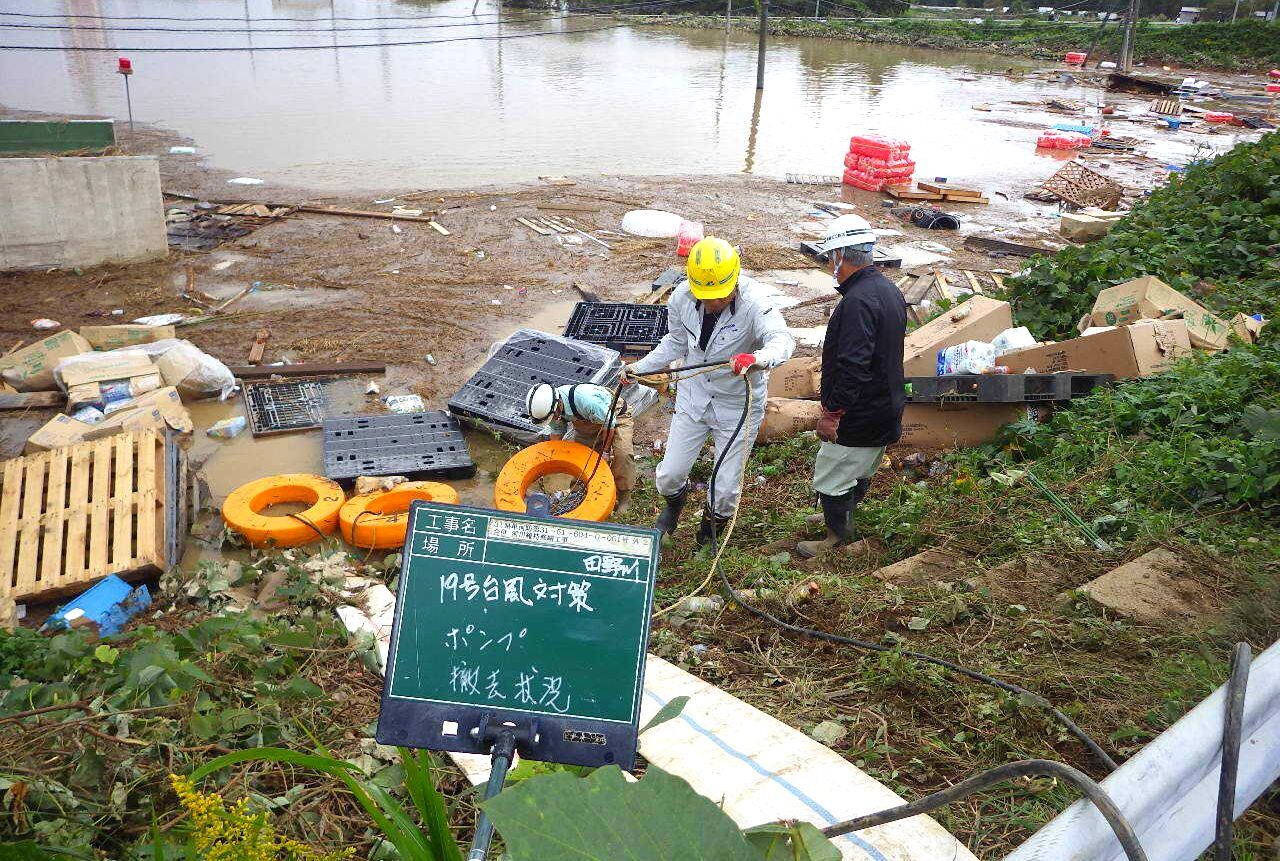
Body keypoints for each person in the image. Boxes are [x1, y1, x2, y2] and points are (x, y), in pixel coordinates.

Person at [623, 237, 795, 547]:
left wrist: (756, 359)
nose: (712, 303)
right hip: (693, 397)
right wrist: (640, 369)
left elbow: (782, 341)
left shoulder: (756, 303)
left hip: (737, 406)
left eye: (719, 297)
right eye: (707, 297)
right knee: (669, 475)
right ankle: (675, 504)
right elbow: (675, 342)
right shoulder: (682, 298)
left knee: (726, 488)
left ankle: (709, 534)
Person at [796, 214, 906, 559]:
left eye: (831, 257)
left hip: (859, 412)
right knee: (859, 468)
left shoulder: (858, 302)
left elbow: (853, 366)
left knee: (831, 474)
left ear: (841, 256)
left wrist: (833, 412)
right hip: (885, 405)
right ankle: (843, 513)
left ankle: (836, 537)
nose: (830, 264)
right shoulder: (888, 290)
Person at [525, 382, 635, 508]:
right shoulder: (551, 409)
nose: (553, 419)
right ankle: (577, 492)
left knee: (622, 454)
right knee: (582, 459)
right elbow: (556, 434)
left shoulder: (586, 400)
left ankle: (624, 496)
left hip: (616, 416)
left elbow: (609, 424)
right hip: (588, 422)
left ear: (557, 405)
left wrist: (605, 451)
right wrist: (548, 462)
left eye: (553, 416)